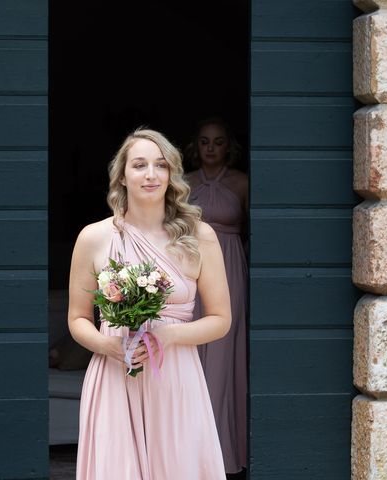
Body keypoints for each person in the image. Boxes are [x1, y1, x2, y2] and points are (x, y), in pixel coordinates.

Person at [68, 128, 232, 479]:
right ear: (122, 176)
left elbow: (220, 319)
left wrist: (168, 337)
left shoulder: (199, 236)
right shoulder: (93, 238)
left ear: (172, 174)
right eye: (139, 165)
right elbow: (78, 318)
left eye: (160, 165)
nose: (151, 174)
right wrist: (108, 345)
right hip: (114, 374)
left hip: (176, 373)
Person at [184, 117, 248, 475]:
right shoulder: (182, 184)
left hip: (230, 266)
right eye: (205, 141)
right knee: (189, 351)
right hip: (190, 269)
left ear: (229, 146)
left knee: (224, 354)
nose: (211, 148)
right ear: (196, 146)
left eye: (218, 141)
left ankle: (221, 454)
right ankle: (188, 452)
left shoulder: (242, 183)